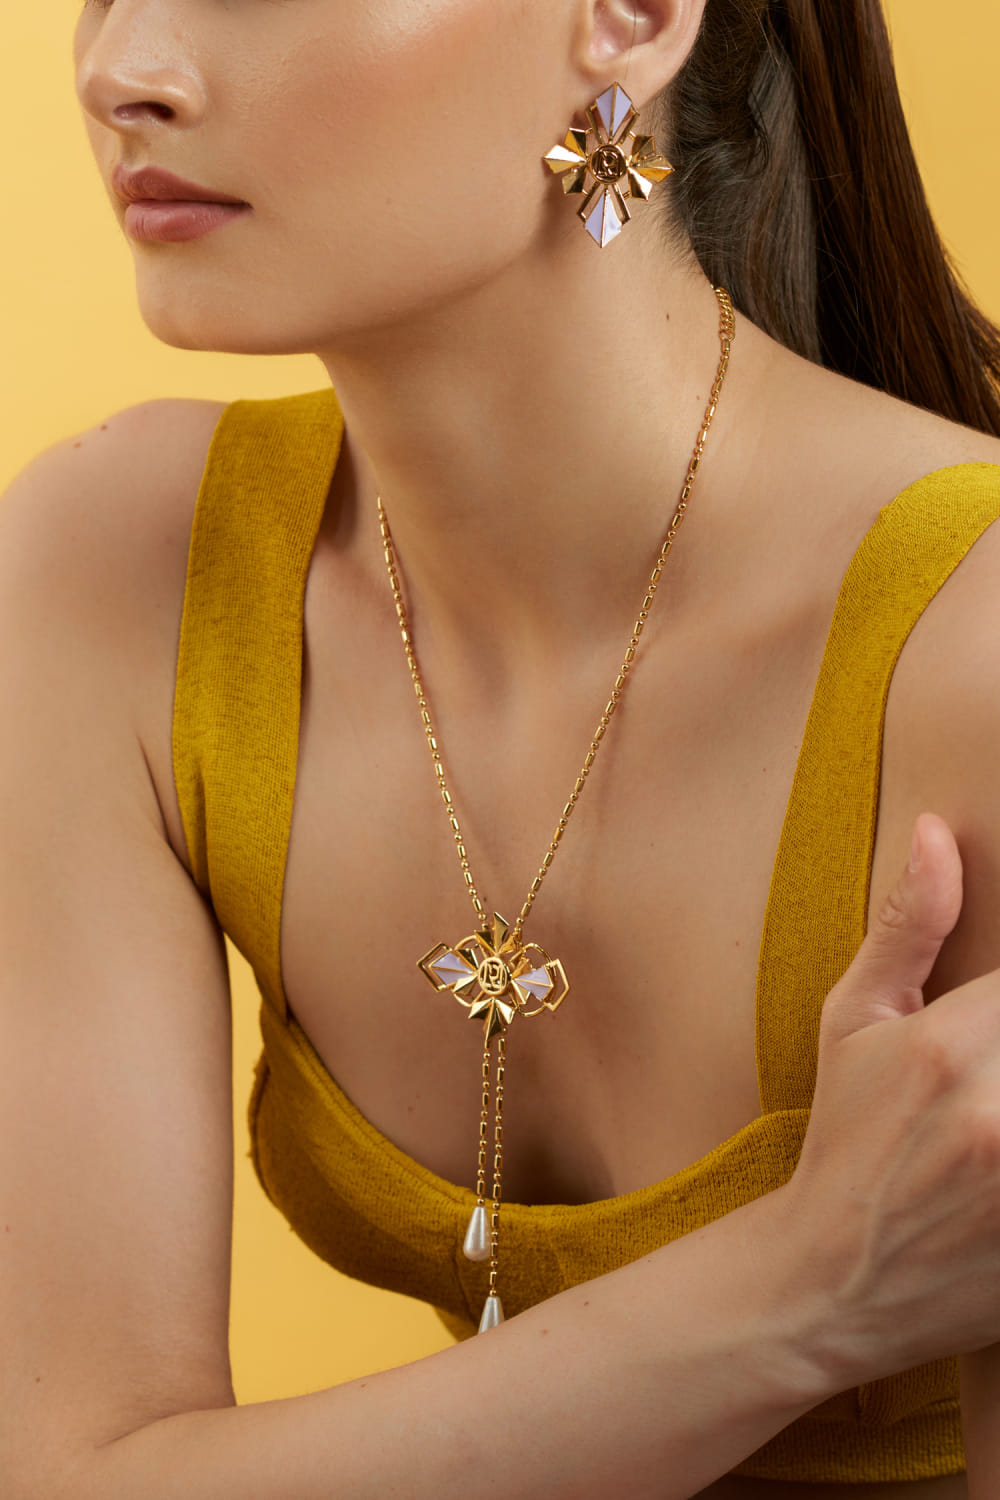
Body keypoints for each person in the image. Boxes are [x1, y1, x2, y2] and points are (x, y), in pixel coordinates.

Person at [3, 0, 1000, 1495]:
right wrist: (804, 1292)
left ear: (631, 18)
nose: (120, 69)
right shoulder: (118, 577)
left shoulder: (970, 654)